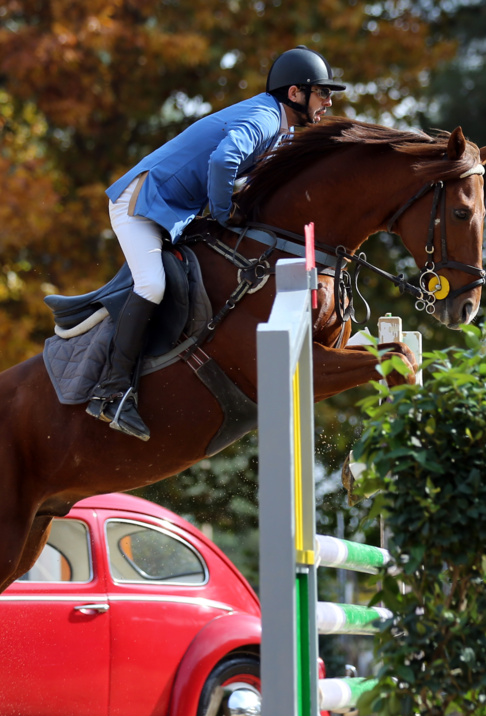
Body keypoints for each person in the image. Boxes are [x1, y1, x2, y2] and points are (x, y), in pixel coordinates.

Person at [87, 45, 346, 442]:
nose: (328, 102)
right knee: (152, 285)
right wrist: (225, 215)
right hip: (142, 204)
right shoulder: (262, 118)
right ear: (295, 94)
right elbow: (224, 162)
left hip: (172, 210)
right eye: (322, 93)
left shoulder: (281, 128)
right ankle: (112, 393)